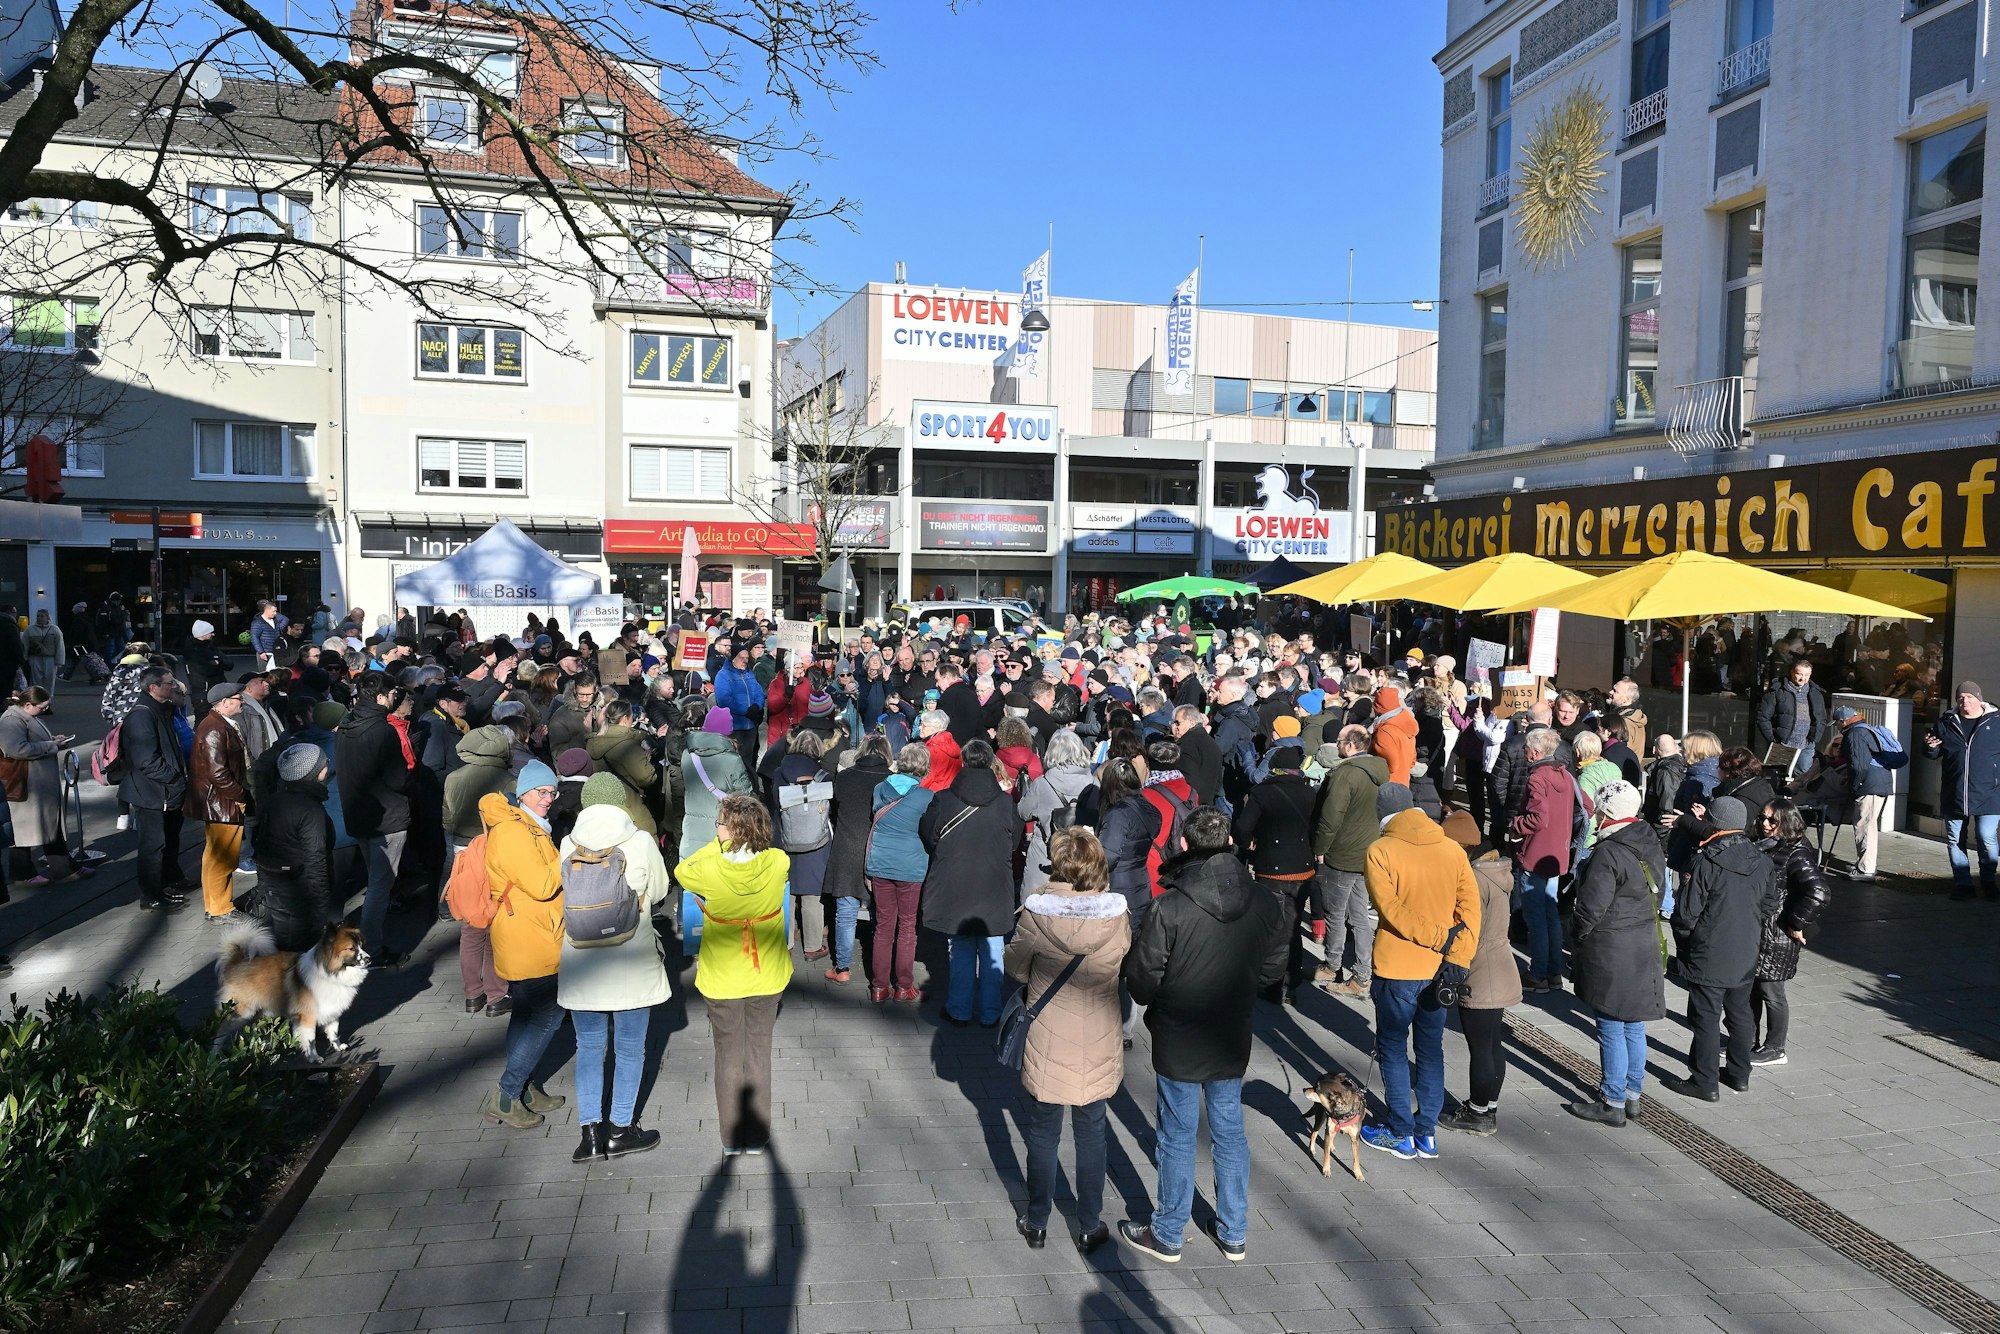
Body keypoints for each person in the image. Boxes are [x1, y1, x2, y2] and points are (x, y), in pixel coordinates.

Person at [1119, 807, 1286, 1265]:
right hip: (1231, 1030)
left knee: (1177, 1132)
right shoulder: (1265, 901)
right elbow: (1274, 968)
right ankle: (1234, 1230)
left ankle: (1169, 1232)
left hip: (1180, 1031)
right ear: (1229, 840)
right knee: (1229, 1127)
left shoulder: (1169, 905)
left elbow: (1141, 979)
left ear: (1186, 846)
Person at [1006, 828, 1130, 1256]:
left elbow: (1016, 968)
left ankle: (1037, 1222)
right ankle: (1089, 1225)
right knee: (1093, 1132)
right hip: (1098, 1036)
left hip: (1048, 1037)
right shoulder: (1117, 916)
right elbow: (1122, 960)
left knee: (1042, 1132)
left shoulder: (1036, 915)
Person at [1359, 784, 1480, 1160]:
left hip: (1397, 966)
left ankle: (1400, 1133)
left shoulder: (1380, 850)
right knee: (1430, 1050)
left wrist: (1436, 937)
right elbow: (1471, 909)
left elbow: (1390, 909)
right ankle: (1426, 1133)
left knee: (1393, 1049)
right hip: (1441, 971)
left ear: (1381, 816)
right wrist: (1457, 955)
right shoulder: (1451, 849)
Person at [559, 772, 672, 1162]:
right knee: (629, 1049)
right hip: (631, 963)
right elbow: (657, 892)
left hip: (581, 964)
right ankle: (621, 1129)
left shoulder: (567, 844)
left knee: (588, 1047)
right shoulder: (639, 841)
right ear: (620, 802)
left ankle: (589, 1135)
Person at [677, 793, 792, 1156]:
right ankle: (757, 1137)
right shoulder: (778, 862)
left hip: (722, 977)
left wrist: (717, 844)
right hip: (766, 974)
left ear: (732, 830)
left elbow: (682, 870)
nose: (716, 830)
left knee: (728, 1055)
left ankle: (730, 1138)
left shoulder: (711, 870)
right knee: (758, 1053)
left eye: (720, 824)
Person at [1661, 796, 1782, 1102]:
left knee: (1705, 1017)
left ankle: (1705, 1081)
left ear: (1713, 823)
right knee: (1740, 1014)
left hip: (1709, 951)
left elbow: (1687, 912)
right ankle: (1739, 1075)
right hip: (1745, 949)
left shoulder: (1706, 860)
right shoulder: (1762, 859)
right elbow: (1769, 904)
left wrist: (1686, 939)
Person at [1565, 781, 1668, 1126]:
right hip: (1643, 944)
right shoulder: (1648, 841)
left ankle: (1612, 1101)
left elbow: (1590, 909)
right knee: (1634, 1025)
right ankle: (1633, 1096)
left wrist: (1576, 936)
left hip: (1612, 949)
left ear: (1607, 813)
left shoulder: (1609, 852)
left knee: (1610, 1024)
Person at [479, 765, 569, 1129]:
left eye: (552, 793)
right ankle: (507, 1093)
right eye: (541, 793)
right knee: (550, 1015)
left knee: (526, 1014)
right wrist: (570, 856)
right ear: (523, 794)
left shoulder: (528, 826)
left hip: (532, 931)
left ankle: (526, 1087)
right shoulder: (515, 832)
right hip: (528, 936)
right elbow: (542, 884)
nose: (547, 800)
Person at [919, 738, 1023, 1027]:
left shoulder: (944, 799)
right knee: (992, 950)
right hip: (993, 886)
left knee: (961, 948)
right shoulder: (1004, 802)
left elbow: (929, 836)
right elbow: (1014, 842)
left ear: (963, 762)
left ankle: (959, 1009)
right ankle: (991, 1012)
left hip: (956, 885)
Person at [335, 671, 414, 965]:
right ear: (381, 697)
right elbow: (397, 778)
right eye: (393, 694)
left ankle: (368, 943)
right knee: (380, 886)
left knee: (375, 881)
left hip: (358, 816)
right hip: (386, 818)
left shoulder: (346, 725)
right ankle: (371, 949)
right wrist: (410, 784)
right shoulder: (382, 730)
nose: (397, 698)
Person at [1231, 741, 1318, 1004]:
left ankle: (1272, 984)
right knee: (1291, 926)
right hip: (1303, 869)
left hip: (1271, 869)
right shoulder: (1311, 793)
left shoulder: (1262, 793)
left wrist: (1250, 844)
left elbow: (1242, 828)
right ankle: (1292, 981)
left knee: (1273, 927)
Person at [1752, 798, 1833, 1067]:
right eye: (1762, 818)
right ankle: (1746, 1041)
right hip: (1759, 930)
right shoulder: (1767, 844)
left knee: (1771, 991)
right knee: (1752, 989)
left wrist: (1795, 923)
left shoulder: (1796, 852)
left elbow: (1819, 891)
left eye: (1772, 820)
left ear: (1786, 822)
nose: (1765, 824)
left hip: (1775, 934)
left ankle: (1775, 1048)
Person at [1312, 724, 1388, 996]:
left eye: (1339, 741)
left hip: (1343, 853)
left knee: (1336, 912)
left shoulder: (1346, 774)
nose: (1337, 745)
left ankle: (1333, 965)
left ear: (1350, 745)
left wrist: (1319, 847)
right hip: (1369, 851)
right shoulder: (1381, 771)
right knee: (1360, 917)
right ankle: (1363, 974)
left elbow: (1330, 817)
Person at [866, 742, 936, 1004]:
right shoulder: (926, 797)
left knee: (883, 927)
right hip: (910, 866)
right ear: (924, 768)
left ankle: (878, 987)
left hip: (880, 863)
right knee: (907, 926)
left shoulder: (879, 789)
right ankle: (903, 986)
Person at [1511, 727, 1581, 992]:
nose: (1524, 752)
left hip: (1535, 854)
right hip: (1556, 854)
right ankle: (1552, 973)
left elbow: (1538, 818)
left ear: (1536, 752)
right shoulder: (1564, 774)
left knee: (1536, 917)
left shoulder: (1537, 778)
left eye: (1526, 749)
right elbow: (1586, 806)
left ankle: (1538, 973)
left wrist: (1515, 824)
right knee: (1550, 913)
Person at [118, 664, 190, 911]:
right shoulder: (142, 716)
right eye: (169, 683)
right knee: (153, 845)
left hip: (165, 791)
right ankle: (151, 895)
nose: (175, 686)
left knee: (169, 839)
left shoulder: (161, 708)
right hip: (151, 793)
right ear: (153, 687)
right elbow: (146, 760)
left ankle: (170, 880)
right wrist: (175, 778)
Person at [254, 744, 338, 952]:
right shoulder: (310, 810)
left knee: (281, 944)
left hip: (274, 887)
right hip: (298, 894)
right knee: (295, 954)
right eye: (324, 762)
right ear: (315, 772)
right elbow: (316, 860)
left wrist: (263, 886)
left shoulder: (274, 799)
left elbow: (260, 845)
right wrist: (321, 910)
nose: (327, 765)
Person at [1926, 682, 2000, 901]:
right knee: (1955, 839)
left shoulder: (1995, 722)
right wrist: (1929, 748)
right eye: (1960, 698)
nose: (1964, 701)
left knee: (1986, 837)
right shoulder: (1947, 722)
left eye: (1969, 697)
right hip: (1955, 791)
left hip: (1989, 792)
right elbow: (1932, 752)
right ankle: (1963, 884)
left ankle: (1988, 880)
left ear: (1979, 698)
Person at [0, 687, 78, 883]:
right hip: (26, 783)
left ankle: (61, 868)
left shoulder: (25, 716)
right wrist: (52, 746)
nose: (46, 709)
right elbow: (16, 749)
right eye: (42, 706)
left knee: (43, 827)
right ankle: (25, 873)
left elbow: (28, 742)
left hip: (35, 782)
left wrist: (52, 741)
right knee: (23, 830)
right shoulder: (11, 720)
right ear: (28, 705)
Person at [189, 682, 251, 921]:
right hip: (223, 803)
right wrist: (240, 796)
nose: (242, 701)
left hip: (218, 801)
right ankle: (220, 908)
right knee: (223, 858)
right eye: (239, 698)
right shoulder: (216, 728)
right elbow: (218, 773)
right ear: (225, 702)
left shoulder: (216, 724)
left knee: (215, 856)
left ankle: (216, 905)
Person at [1018, 729, 1096, 893]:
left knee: (1037, 907)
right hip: (1083, 858)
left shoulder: (1042, 784)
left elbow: (1023, 812)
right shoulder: (1094, 785)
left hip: (1046, 856)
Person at [681, 706, 755, 861]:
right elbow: (745, 796)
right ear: (728, 733)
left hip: (691, 831)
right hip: (721, 831)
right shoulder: (732, 760)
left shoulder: (688, 756)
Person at [1832, 706, 1894, 882]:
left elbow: (1859, 765)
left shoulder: (1855, 734)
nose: (1837, 727)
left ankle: (1866, 869)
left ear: (1843, 721)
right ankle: (1864, 863)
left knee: (1865, 826)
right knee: (1867, 824)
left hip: (1869, 785)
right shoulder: (1867, 730)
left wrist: (1853, 785)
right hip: (1879, 782)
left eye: (1837, 723)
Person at [1754, 656, 1827, 759]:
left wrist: (1815, 737)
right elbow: (1762, 716)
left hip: (1806, 744)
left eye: (1807, 675)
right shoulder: (1777, 690)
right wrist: (1773, 738)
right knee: (1781, 772)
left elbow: (1821, 717)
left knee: (1804, 773)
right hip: (1783, 743)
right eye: (1799, 674)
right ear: (1791, 672)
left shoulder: (1815, 692)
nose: (1803, 678)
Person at [23, 610, 62, 697]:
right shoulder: (30, 629)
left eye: (42, 616)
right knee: (36, 680)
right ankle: (37, 698)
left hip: (50, 658)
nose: (39, 618)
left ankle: (48, 697)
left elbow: (59, 645)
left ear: (47, 617)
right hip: (35, 658)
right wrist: (24, 657)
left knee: (50, 679)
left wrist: (59, 660)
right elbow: (25, 644)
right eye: (38, 616)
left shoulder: (54, 629)